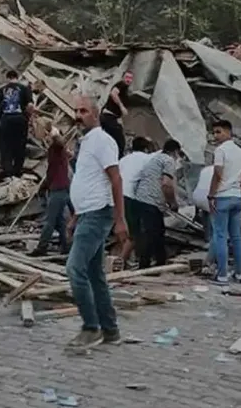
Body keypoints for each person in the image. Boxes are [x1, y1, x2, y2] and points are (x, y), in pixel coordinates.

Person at [64, 93, 127, 350]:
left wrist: (120, 219)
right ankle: (110, 330)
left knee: (74, 269)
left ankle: (91, 328)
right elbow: (89, 181)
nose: (79, 116)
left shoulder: (102, 141)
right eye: (76, 111)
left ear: (96, 114)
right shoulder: (86, 142)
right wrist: (75, 216)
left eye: (84, 111)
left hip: (98, 213)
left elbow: (116, 179)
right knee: (94, 274)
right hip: (87, 213)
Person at [207, 120, 241, 284]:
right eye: (214, 132)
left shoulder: (220, 151)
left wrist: (211, 195)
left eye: (218, 132)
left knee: (220, 236)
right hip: (236, 197)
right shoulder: (240, 151)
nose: (215, 136)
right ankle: (240, 273)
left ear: (228, 132)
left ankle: (222, 274)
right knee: (237, 237)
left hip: (222, 196)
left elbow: (217, 174)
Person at [131, 139, 182, 269]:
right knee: (153, 234)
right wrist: (173, 203)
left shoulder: (155, 158)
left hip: (141, 198)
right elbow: (166, 184)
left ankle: (159, 262)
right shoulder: (168, 161)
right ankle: (146, 265)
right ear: (175, 152)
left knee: (156, 231)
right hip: (151, 201)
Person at [31, 127, 72, 257]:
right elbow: (50, 172)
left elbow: (61, 142)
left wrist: (54, 135)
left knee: (49, 220)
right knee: (59, 220)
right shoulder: (54, 150)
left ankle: (42, 247)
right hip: (59, 187)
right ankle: (66, 246)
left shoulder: (57, 148)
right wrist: (44, 186)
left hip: (59, 188)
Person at [117, 136, 153, 266]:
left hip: (116, 195)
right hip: (130, 196)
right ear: (146, 148)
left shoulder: (124, 159)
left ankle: (123, 259)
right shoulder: (147, 159)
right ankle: (120, 262)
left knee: (122, 228)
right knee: (135, 233)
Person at [0, 70, 33, 177]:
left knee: (6, 145)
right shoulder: (25, 88)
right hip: (20, 119)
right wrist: (28, 118)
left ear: (7, 78)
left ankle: (7, 170)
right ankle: (17, 170)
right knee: (20, 144)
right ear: (17, 77)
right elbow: (30, 106)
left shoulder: (2, 90)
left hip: (7, 119)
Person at [100, 70, 133, 155]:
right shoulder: (121, 84)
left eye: (130, 78)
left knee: (111, 141)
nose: (128, 80)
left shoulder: (125, 90)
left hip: (110, 117)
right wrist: (122, 107)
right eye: (127, 77)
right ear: (123, 78)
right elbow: (113, 94)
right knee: (120, 143)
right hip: (108, 117)